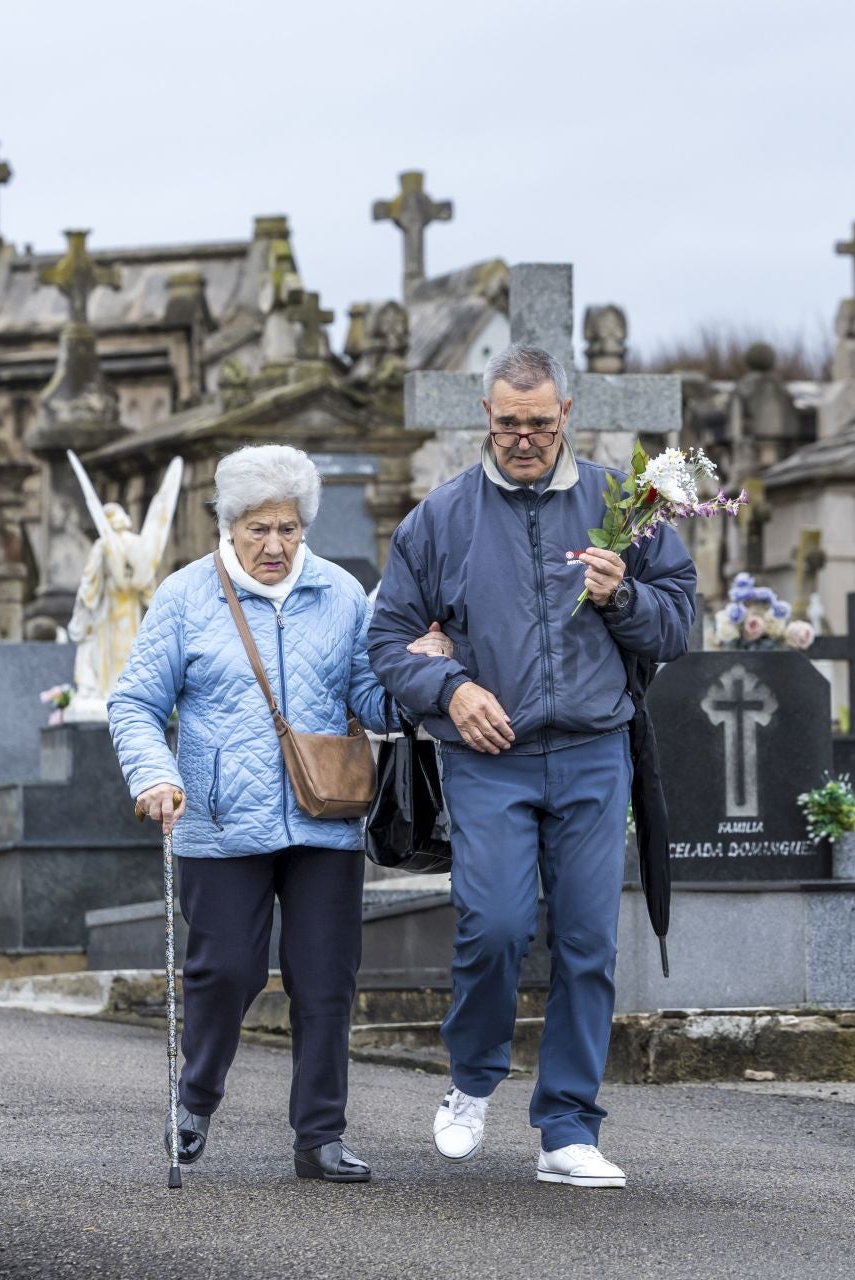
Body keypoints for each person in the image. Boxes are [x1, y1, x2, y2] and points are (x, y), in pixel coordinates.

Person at [369, 343, 697, 1188]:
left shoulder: (620, 507)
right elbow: (386, 642)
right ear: (486, 416)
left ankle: (567, 1127)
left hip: (592, 754)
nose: (524, 439)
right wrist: (450, 688)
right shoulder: (438, 520)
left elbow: (676, 624)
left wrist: (622, 595)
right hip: (492, 755)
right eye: (509, 423)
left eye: (540, 424)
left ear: (567, 417)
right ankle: (472, 1081)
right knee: (498, 925)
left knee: (588, 941)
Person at [109, 444, 450, 1184]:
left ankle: (320, 1136)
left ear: (305, 528)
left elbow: (370, 698)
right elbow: (135, 702)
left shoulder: (340, 593)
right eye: (258, 528)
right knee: (225, 971)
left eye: (288, 529)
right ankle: (196, 1097)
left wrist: (415, 673)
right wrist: (156, 776)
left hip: (325, 813)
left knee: (326, 978)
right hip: (221, 821)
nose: (273, 545)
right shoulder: (186, 596)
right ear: (229, 527)